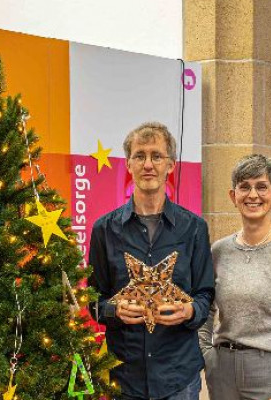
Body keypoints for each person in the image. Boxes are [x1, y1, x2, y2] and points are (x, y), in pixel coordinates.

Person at [90, 122, 215, 400]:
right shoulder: (104, 230)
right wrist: (113, 311)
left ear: (170, 165)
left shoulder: (194, 228)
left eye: (156, 156)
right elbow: (93, 300)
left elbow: (206, 294)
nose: (148, 164)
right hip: (124, 376)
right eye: (140, 155)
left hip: (178, 377)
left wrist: (190, 311)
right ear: (128, 164)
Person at [200, 154, 271, 400]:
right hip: (222, 369)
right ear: (233, 196)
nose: (253, 195)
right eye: (244, 187)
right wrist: (206, 354)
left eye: (262, 187)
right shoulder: (220, 250)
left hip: (270, 370)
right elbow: (205, 308)